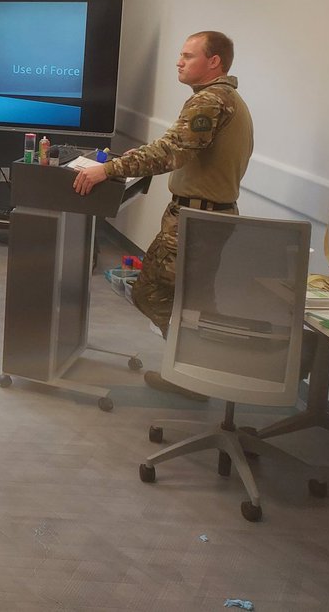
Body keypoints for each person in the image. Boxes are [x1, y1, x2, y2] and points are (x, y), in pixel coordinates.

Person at [72, 31, 252, 398]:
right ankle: (196, 370)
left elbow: (172, 151)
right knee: (193, 299)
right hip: (203, 217)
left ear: (214, 61)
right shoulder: (222, 97)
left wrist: (109, 169)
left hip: (197, 221)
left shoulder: (212, 100)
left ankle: (195, 371)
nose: (179, 62)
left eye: (188, 55)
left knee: (153, 292)